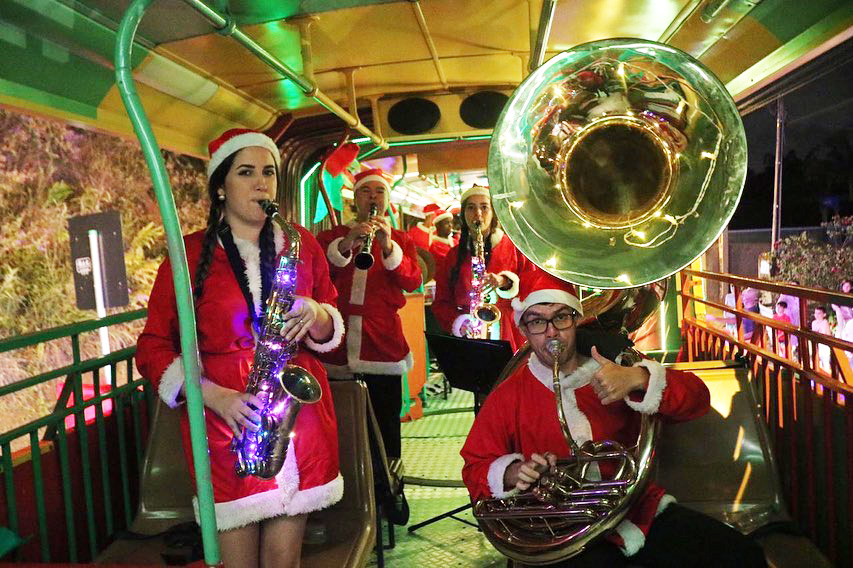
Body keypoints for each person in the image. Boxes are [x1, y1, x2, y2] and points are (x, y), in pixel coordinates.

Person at [136, 129, 345, 567]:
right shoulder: (186, 254)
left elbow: (329, 328)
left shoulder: (303, 245)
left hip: (298, 425)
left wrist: (318, 315)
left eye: (268, 172)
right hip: (225, 426)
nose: (261, 183)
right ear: (220, 186)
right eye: (246, 172)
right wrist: (214, 396)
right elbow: (153, 347)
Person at [460, 270, 767, 567]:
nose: (551, 331)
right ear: (524, 330)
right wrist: (513, 472)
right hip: (557, 527)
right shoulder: (509, 393)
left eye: (560, 317)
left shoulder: (615, 366)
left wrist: (638, 378)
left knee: (742, 556)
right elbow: (475, 465)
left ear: (576, 321)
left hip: (635, 514)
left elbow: (698, 400)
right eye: (538, 321)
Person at [315, 168, 422, 460]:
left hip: (382, 342)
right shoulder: (332, 237)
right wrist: (348, 243)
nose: (372, 197)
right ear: (354, 199)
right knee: (343, 423)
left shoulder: (402, 239)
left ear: (387, 200)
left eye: (379, 192)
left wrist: (388, 247)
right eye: (365, 191)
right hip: (338, 341)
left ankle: (390, 484)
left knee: (385, 420)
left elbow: (412, 281)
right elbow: (318, 276)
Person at [431, 185, 534, 350]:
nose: (478, 214)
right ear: (463, 215)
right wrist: (459, 323)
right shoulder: (453, 255)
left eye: (484, 207)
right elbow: (441, 302)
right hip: (470, 333)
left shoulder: (514, 247)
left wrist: (506, 282)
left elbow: (532, 288)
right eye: (471, 208)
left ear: (493, 213)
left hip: (510, 333)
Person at [811, 306, 831, 371]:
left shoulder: (825, 322)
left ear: (824, 314)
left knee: (825, 364)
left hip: (824, 345)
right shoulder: (813, 323)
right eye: (815, 313)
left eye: (819, 313)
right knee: (817, 363)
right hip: (816, 345)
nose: (817, 315)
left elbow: (823, 333)